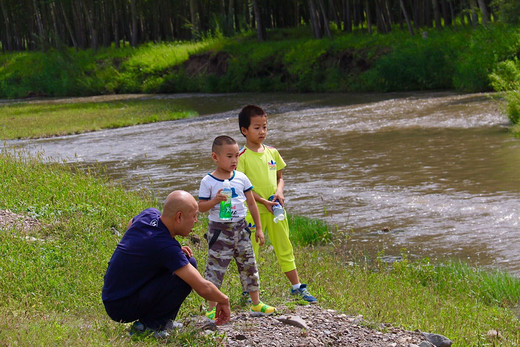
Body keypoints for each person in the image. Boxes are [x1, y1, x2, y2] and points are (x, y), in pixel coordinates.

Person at [102, 190, 231, 338]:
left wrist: (162, 250)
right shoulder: (164, 247)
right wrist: (224, 299)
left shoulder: (149, 215)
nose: (195, 221)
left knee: (187, 261)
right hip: (121, 306)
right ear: (179, 217)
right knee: (186, 271)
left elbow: (131, 225)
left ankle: (163, 321)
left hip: (113, 294)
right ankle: (149, 326)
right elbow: (202, 286)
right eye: (194, 216)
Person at [237, 105, 317, 303]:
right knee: (250, 252)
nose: (262, 131)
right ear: (244, 130)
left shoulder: (272, 153)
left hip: (275, 210)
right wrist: (263, 201)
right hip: (252, 212)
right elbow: (241, 187)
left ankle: (297, 287)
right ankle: (249, 293)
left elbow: (280, 177)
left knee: (284, 247)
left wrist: (279, 192)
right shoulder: (241, 157)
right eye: (257, 127)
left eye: (265, 127)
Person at [198, 135, 276, 320]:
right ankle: (211, 308)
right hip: (219, 230)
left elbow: (251, 204)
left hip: (241, 229)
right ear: (215, 157)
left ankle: (256, 304)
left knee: (249, 265)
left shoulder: (241, 178)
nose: (234, 160)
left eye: (236, 156)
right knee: (215, 269)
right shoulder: (208, 181)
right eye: (229, 156)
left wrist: (258, 229)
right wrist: (215, 200)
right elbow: (200, 207)